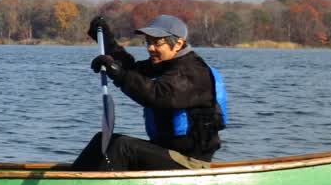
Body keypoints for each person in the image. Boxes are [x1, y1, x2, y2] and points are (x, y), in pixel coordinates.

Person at [69, 13, 225, 171]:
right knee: (102, 140)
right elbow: (131, 70)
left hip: (189, 161)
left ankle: (88, 184)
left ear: (178, 44)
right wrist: (106, 39)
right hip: (166, 152)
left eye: (157, 43)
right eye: (148, 42)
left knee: (122, 147)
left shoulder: (193, 72)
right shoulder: (167, 63)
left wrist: (117, 72)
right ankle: (72, 177)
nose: (150, 48)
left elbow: (157, 95)